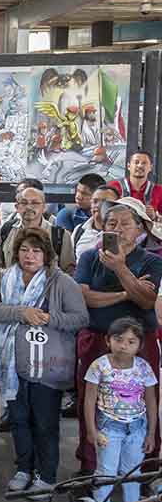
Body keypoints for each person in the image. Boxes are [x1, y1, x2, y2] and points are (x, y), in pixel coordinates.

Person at [0, 228, 87, 496]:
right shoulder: (4, 278)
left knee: (45, 421)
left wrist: (49, 318)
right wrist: (22, 313)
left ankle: (47, 475)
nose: (29, 256)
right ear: (16, 252)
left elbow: (80, 318)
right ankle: (23, 468)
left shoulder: (61, 282)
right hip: (12, 364)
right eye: (24, 250)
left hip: (47, 364)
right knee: (18, 419)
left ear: (46, 254)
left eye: (36, 251)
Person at [74, 196, 162, 474]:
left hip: (141, 345)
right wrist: (127, 292)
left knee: (144, 401)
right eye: (111, 223)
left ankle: (143, 467)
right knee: (92, 403)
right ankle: (91, 467)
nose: (118, 229)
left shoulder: (152, 260)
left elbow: (147, 301)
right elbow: (83, 297)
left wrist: (121, 268)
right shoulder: (90, 256)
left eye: (125, 224)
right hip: (98, 341)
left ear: (140, 229)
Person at [85, 317, 158, 502]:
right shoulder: (99, 366)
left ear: (140, 345)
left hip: (137, 428)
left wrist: (151, 433)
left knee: (132, 473)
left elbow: (152, 401)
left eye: (131, 341)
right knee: (106, 472)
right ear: (108, 341)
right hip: (110, 428)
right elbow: (89, 400)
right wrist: (92, 430)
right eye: (119, 339)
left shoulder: (143, 368)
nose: (124, 345)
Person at [0, 186, 75, 278]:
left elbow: (68, 272)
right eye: (24, 203)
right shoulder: (5, 231)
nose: (28, 207)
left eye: (35, 203)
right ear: (17, 207)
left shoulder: (59, 235)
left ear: (44, 207)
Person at [108, 149, 162, 218]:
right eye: (136, 162)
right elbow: (106, 212)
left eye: (144, 163)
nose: (140, 166)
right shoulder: (113, 187)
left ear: (150, 167)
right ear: (128, 166)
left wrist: (155, 216)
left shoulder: (159, 190)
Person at [74, 185, 121, 260]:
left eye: (105, 202)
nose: (98, 205)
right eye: (95, 201)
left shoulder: (122, 231)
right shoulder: (79, 230)